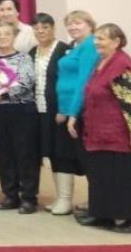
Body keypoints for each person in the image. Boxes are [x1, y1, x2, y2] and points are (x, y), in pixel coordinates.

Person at [74, 23, 131, 232]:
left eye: (101, 39)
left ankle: (125, 218)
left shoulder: (122, 64)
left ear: (116, 42)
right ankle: (102, 214)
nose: (96, 42)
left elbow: (129, 102)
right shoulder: (101, 61)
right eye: (96, 38)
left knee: (118, 177)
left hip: (117, 133)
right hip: (97, 131)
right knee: (100, 175)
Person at [0, 22, 38, 214]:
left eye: (6, 34)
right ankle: (10, 194)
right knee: (4, 154)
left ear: (14, 36)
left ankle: (28, 197)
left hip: (21, 110)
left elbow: (27, 81)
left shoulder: (24, 58)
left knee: (25, 154)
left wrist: (1, 94)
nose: (2, 37)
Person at [28, 12, 72, 214]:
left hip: (59, 112)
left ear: (53, 29)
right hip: (39, 111)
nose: (41, 31)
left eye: (45, 27)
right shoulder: (32, 52)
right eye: (37, 28)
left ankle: (66, 199)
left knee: (62, 153)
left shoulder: (64, 50)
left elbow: (68, 82)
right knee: (50, 152)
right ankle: (59, 197)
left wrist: (64, 109)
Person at [57, 10, 99, 206]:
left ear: (90, 25)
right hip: (70, 110)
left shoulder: (90, 45)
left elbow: (84, 81)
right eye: (70, 24)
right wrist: (63, 110)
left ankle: (97, 202)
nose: (73, 27)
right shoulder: (75, 46)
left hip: (81, 111)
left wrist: (73, 114)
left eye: (78, 23)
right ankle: (94, 201)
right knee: (80, 157)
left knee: (89, 159)